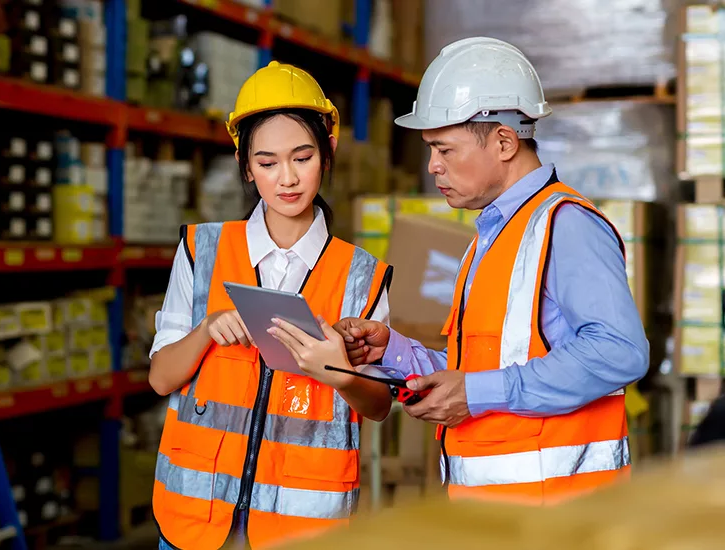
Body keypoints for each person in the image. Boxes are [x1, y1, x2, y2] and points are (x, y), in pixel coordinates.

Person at [280, 37, 651, 506]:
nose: (432, 166)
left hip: (561, 518)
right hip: (500, 514)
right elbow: (484, 371)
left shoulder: (567, 226)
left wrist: (474, 393)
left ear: (503, 141)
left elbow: (620, 352)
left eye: (444, 149)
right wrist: (395, 352)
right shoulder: (492, 236)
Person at [148, 61, 395, 550]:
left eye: (302, 157)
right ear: (245, 166)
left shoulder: (362, 276)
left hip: (302, 527)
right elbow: (160, 378)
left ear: (327, 154)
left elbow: (379, 405)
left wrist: (338, 371)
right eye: (267, 162)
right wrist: (206, 330)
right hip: (195, 521)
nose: (287, 178)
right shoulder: (202, 252)